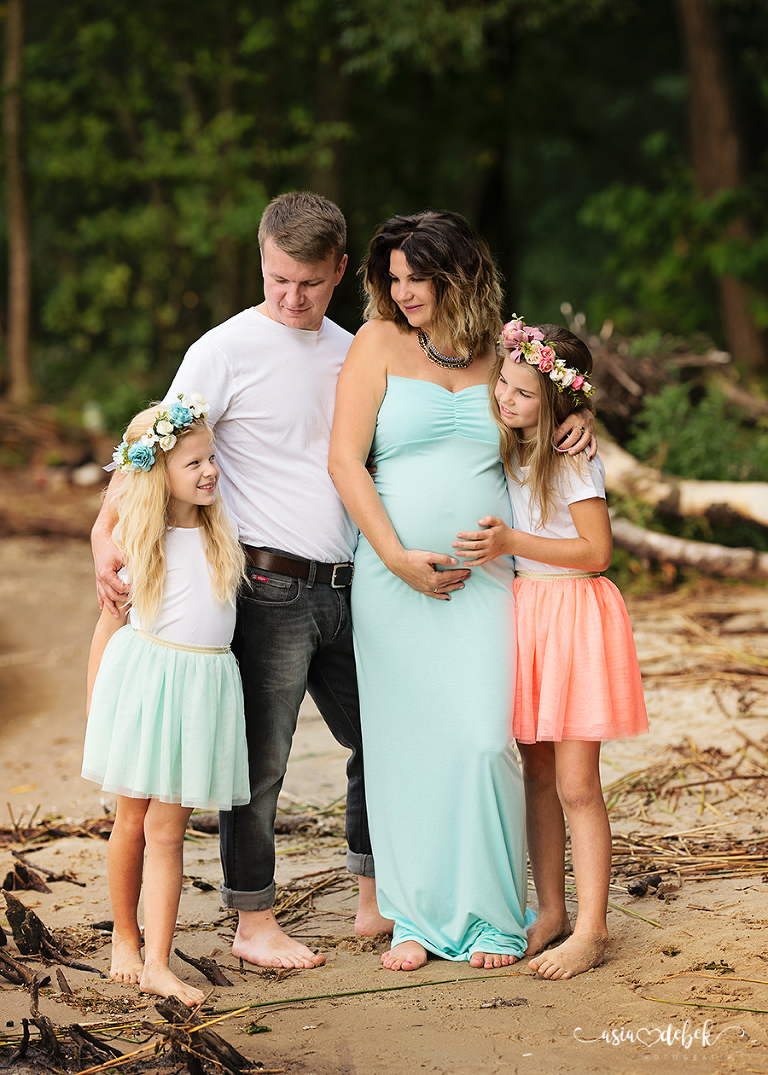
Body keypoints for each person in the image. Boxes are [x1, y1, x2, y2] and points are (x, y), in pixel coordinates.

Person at [91, 191, 389, 972]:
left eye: (309, 284)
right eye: (276, 277)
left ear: (341, 272)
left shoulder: (353, 351)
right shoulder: (222, 350)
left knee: (382, 738)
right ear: (262, 258)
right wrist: (103, 527)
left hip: (351, 584)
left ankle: (374, 891)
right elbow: (155, 445)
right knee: (259, 764)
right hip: (264, 586)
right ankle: (252, 918)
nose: (291, 298)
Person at [328, 212, 595, 971]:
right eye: (395, 278)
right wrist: (397, 556)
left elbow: (549, 411)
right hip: (391, 579)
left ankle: (489, 914)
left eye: (419, 277)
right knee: (406, 749)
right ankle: (413, 913)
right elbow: (346, 462)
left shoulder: (506, 352)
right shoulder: (376, 344)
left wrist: (581, 426)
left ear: (460, 275)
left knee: (485, 742)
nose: (403, 291)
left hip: (486, 583)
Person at [453, 319, 648, 980]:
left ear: (558, 405)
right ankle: (551, 910)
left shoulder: (570, 453)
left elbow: (597, 550)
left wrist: (512, 543)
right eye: (502, 385)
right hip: (528, 613)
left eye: (523, 393)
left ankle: (592, 928)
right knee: (535, 770)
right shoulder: (516, 444)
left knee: (574, 781)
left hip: (571, 612)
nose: (506, 399)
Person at [83, 396, 249, 1006]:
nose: (208, 471)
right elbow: (110, 624)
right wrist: (101, 701)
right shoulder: (138, 535)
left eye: (211, 458)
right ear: (160, 472)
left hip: (202, 693)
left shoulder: (220, 527)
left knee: (169, 830)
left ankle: (158, 959)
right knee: (131, 820)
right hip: (146, 690)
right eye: (193, 463)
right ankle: (124, 940)